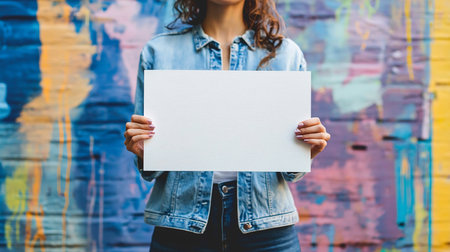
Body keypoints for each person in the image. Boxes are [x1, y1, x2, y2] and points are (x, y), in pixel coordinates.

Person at [124, 0, 331, 251]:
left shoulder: (287, 54)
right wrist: (144, 152)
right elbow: (150, 171)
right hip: (181, 226)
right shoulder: (159, 52)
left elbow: (290, 173)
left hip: (266, 228)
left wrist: (306, 150)